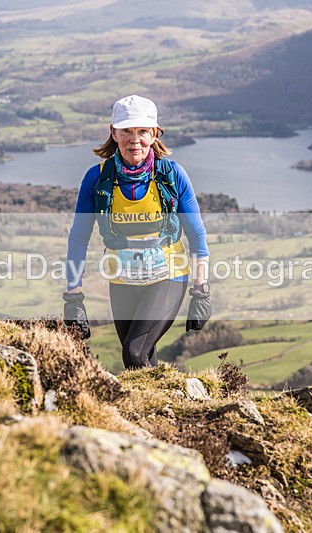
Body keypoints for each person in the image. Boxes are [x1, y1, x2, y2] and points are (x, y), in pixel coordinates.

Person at [63, 94, 211, 369]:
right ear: (113, 133)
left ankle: (151, 409)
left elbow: (197, 237)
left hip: (168, 275)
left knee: (134, 353)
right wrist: (73, 297)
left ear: (154, 133)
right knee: (141, 357)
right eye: (127, 131)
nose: (135, 140)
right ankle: (162, 409)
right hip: (122, 280)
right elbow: (79, 237)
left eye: (143, 131)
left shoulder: (172, 175)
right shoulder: (97, 178)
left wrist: (201, 292)